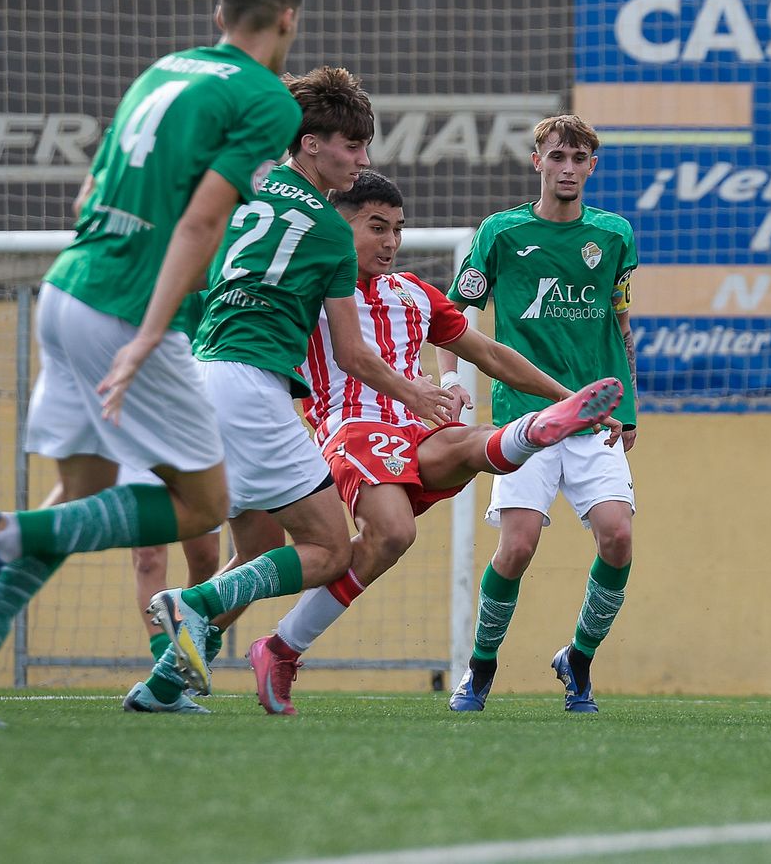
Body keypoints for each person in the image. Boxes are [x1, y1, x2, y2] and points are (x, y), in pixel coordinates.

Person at [0, 0, 310, 727]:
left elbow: (86, 197)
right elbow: (200, 223)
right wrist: (147, 335)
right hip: (125, 311)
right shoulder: (268, 100)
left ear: (220, 13)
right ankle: (3, 532)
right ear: (288, 20)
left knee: (85, 495)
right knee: (204, 504)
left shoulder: (160, 72)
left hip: (68, 289)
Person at [122, 66, 458, 714]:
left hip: (201, 376)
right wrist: (414, 395)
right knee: (330, 551)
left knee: (257, 550)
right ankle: (192, 603)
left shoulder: (247, 188)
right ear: (310, 144)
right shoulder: (330, 232)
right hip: (250, 388)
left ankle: (163, 685)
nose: (363, 160)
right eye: (352, 146)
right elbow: (353, 354)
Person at [243, 170, 624, 715]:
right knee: (391, 533)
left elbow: (488, 354)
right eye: (377, 227)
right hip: (351, 428)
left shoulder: (413, 293)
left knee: (468, 449)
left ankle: (541, 426)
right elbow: (297, 352)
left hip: (412, 430)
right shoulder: (308, 290)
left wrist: (568, 396)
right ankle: (233, 635)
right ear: (338, 227)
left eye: (398, 229)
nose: (392, 242)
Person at [441, 113, 639, 714]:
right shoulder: (501, 233)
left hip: (596, 418)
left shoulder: (614, 235)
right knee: (518, 548)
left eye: (579, 159)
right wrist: (449, 382)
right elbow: (452, 315)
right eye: (557, 157)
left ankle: (578, 659)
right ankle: (480, 667)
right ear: (538, 163)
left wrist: (629, 406)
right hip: (524, 418)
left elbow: (620, 323)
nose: (568, 169)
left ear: (592, 167)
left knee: (618, 537)